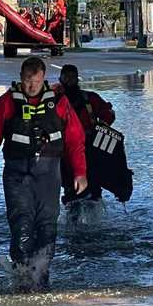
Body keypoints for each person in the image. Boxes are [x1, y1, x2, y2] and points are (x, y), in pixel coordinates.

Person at [0, 57, 87, 290]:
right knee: (22, 226)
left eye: (36, 82)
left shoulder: (59, 102)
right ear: (21, 78)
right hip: (17, 174)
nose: (31, 86)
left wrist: (80, 172)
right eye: (28, 81)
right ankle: (22, 278)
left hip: (49, 174)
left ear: (44, 79)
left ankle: (41, 278)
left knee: (47, 227)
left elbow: (76, 139)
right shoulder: (8, 102)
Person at [54, 64, 115, 203]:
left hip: (90, 150)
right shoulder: (54, 101)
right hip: (65, 153)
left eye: (72, 77)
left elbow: (109, 114)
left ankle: (95, 220)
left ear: (77, 79)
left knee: (94, 190)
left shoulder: (90, 99)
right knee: (70, 191)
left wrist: (98, 129)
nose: (69, 81)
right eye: (66, 77)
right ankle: (74, 218)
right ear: (60, 79)